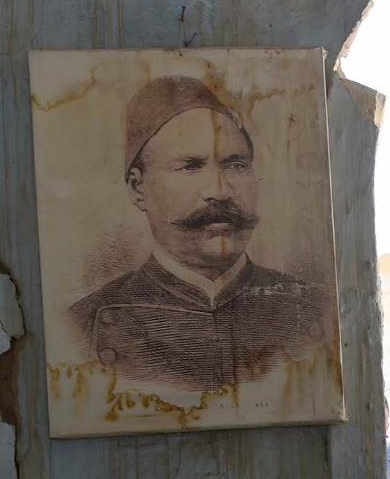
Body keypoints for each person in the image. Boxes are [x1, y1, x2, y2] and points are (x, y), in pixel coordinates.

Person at [69, 76, 328, 392]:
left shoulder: (316, 309)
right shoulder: (80, 326)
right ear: (138, 187)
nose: (220, 191)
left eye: (235, 165)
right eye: (190, 166)